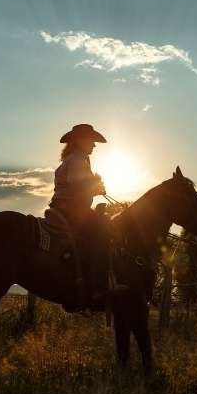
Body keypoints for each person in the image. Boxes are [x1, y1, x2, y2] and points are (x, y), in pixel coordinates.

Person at [50, 124, 126, 305]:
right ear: (79, 141)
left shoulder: (73, 159)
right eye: (91, 140)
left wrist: (94, 187)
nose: (94, 145)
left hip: (67, 207)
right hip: (72, 209)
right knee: (103, 233)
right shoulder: (77, 160)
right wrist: (95, 189)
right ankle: (99, 287)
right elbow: (77, 187)